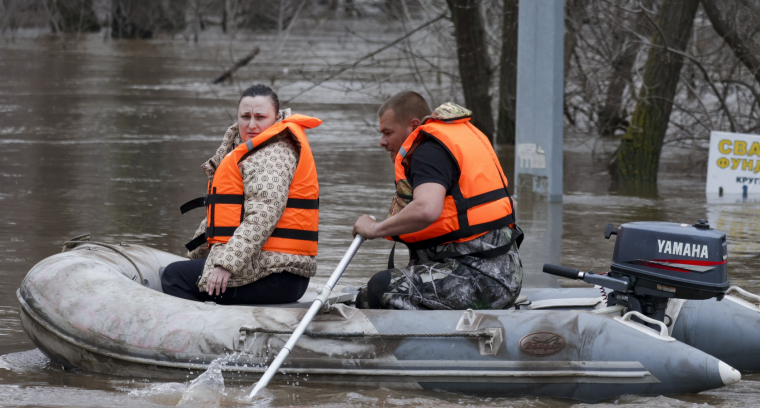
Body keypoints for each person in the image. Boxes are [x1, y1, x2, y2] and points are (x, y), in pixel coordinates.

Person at [351, 91, 523, 310]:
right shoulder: (455, 141)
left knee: (380, 286)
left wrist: (374, 229)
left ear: (413, 126)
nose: (382, 142)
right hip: (504, 274)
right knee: (371, 292)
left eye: (388, 132)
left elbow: (426, 209)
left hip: (483, 281)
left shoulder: (428, 151)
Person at [161, 84, 321, 305]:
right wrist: (197, 256)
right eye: (245, 116)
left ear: (275, 119)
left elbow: (262, 217)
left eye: (260, 117)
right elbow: (226, 216)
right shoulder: (253, 151)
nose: (252, 124)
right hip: (266, 266)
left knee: (173, 277)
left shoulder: (273, 157)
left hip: (278, 274)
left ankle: (202, 334)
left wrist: (226, 265)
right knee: (180, 269)